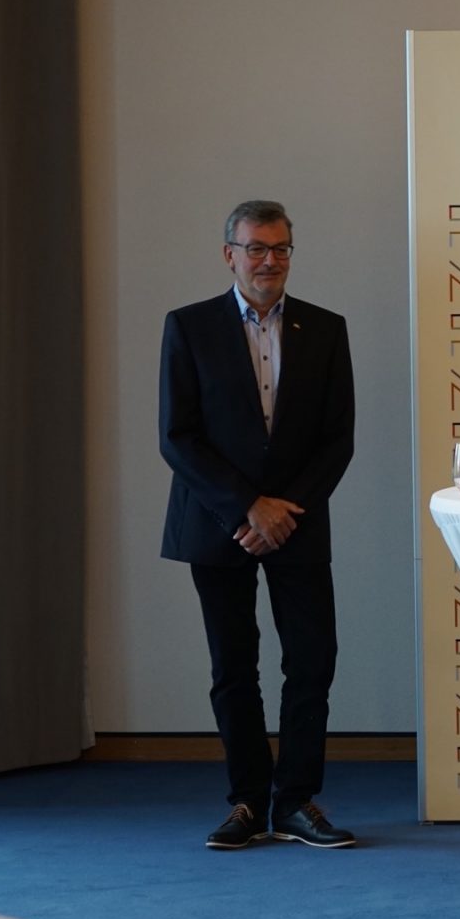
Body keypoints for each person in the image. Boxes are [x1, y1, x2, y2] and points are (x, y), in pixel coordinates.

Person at [160, 200, 357, 850]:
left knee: (312, 660)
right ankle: (246, 801)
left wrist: (282, 511)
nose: (269, 261)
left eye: (280, 249)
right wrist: (248, 507)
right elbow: (177, 437)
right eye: (255, 248)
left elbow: (337, 439)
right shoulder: (189, 327)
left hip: (297, 524)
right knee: (233, 666)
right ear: (230, 255)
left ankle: (296, 801)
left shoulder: (324, 329)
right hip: (218, 523)